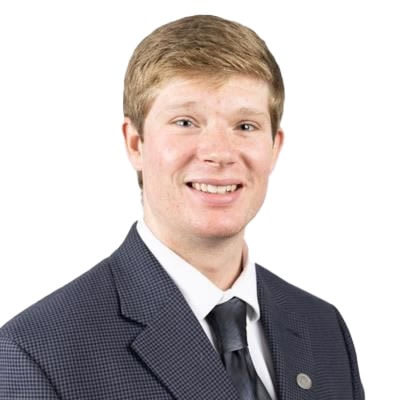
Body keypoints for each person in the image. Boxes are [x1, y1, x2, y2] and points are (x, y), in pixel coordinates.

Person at [0, 15, 364, 400]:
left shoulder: (323, 330)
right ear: (136, 143)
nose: (219, 153)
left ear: (274, 147)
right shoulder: (36, 354)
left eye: (245, 126)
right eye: (186, 121)